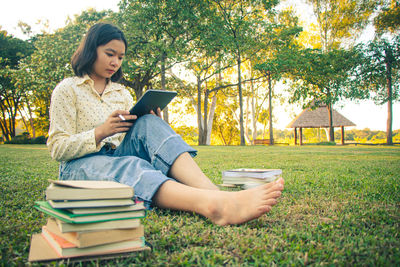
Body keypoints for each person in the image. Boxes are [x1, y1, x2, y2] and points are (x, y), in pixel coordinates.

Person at [47, 23, 284, 226]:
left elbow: (132, 135)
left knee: (149, 121)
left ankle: (214, 192)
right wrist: (100, 132)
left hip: (117, 154)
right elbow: (58, 148)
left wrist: (151, 125)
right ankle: (213, 206)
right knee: (129, 165)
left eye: (120, 57)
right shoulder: (68, 89)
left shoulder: (121, 93)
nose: (115, 62)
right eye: (110, 54)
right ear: (91, 50)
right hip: (79, 166)